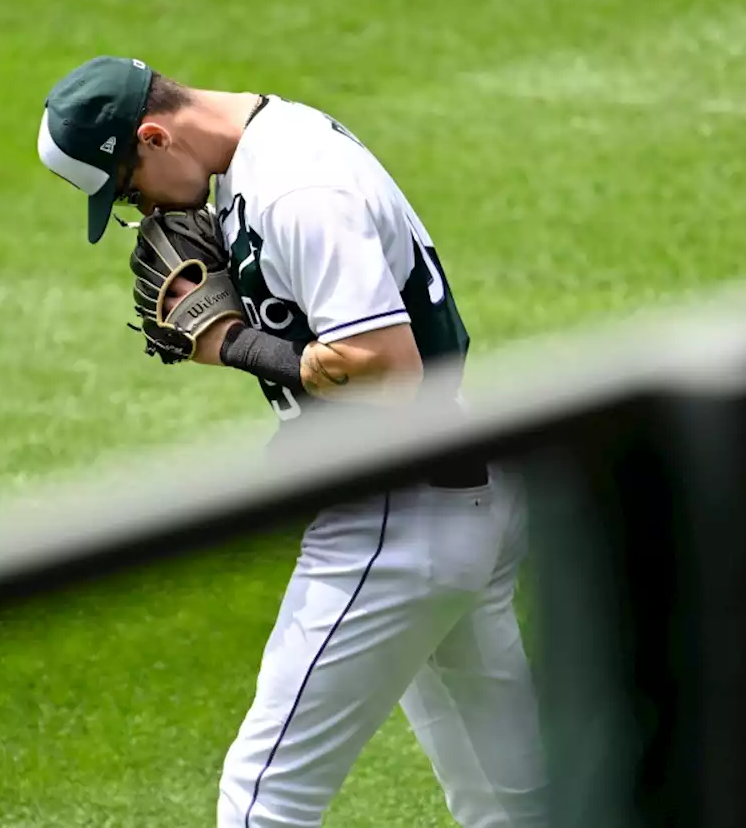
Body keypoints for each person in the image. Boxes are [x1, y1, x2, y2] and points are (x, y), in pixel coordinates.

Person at [37, 55, 549, 828]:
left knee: (260, 802)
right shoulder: (270, 153)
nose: (141, 217)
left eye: (130, 190)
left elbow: (386, 370)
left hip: (395, 512)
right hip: (459, 493)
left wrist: (234, 341)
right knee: (509, 800)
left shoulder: (297, 188)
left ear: (153, 135)